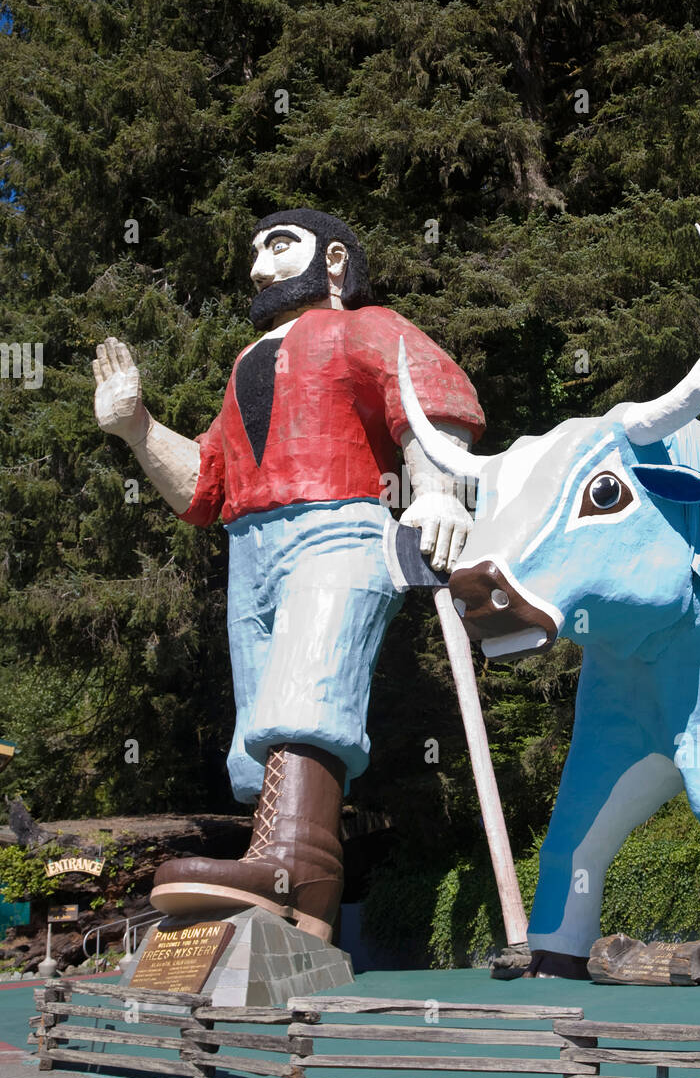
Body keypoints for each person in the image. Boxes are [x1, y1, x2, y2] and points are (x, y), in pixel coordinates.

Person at [92, 209, 484, 941]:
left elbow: (430, 400)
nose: (258, 268)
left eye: (279, 248)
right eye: (255, 253)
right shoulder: (248, 363)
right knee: (261, 714)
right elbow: (205, 486)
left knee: (311, 680)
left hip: (342, 522)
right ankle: (284, 880)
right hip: (251, 545)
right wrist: (138, 427)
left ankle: (295, 866)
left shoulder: (365, 327)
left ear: (334, 261)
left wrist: (436, 488)